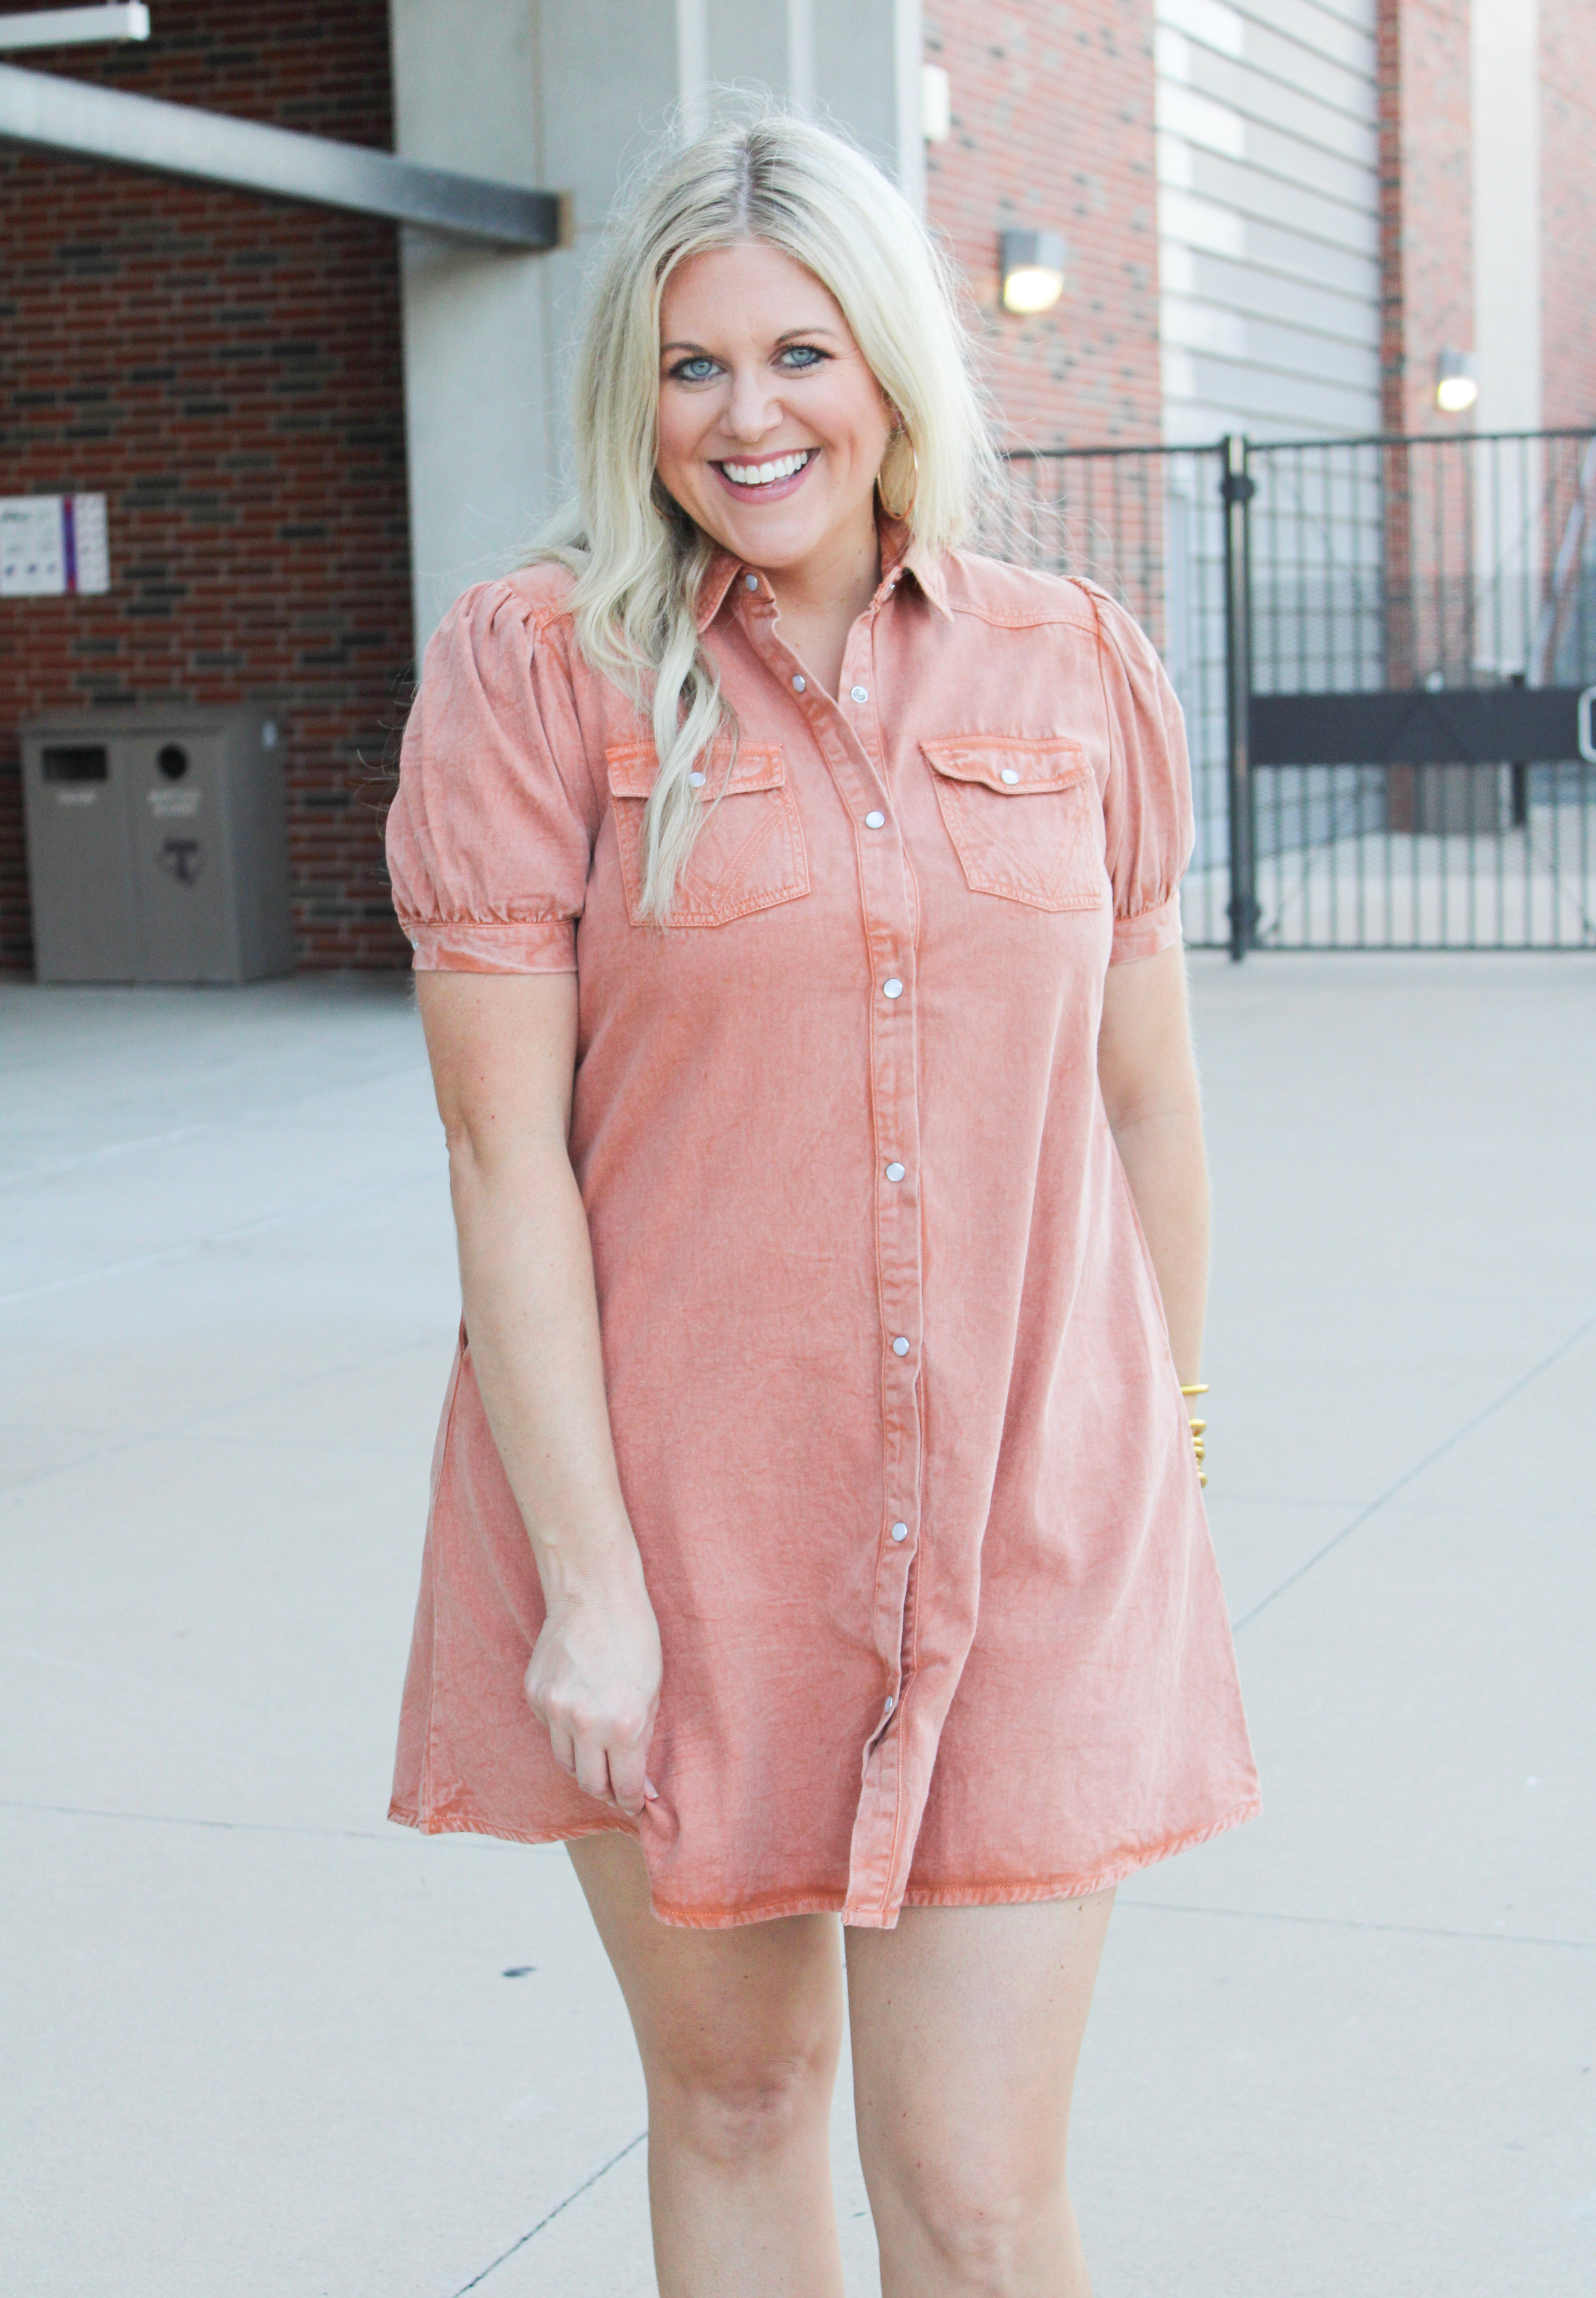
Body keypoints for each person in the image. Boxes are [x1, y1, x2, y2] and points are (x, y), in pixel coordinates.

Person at [385, 107, 1258, 2298]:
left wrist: (1169, 1431)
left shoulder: (1074, 672)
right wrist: (592, 1588)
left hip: (1034, 1536)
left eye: (800, 352)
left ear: (890, 364)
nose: (749, 414)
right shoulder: (533, 675)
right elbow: (506, 1158)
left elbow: (1147, 1102)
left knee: (975, 2190)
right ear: (634, 400)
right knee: (744, 2105)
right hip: (680, 1533)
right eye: (692, 367)